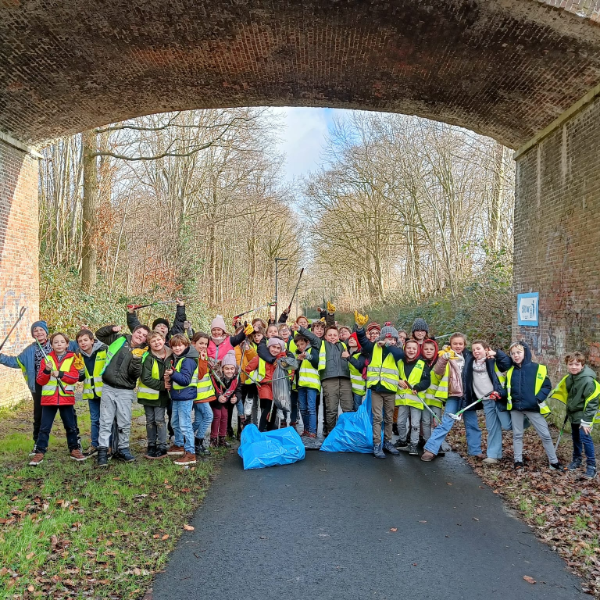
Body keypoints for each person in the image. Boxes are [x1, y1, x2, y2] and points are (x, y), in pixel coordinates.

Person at [0, 320, 77, 454]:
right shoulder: (30, 350)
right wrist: (0, 357)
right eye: (35, 331)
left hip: (61, 384)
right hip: (40, 384)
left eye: (41, 330)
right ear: (32, 334)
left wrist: (83, 332)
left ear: (46, 332)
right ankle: (38, 445)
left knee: (70, 415)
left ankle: (76, 444)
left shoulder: (56, 343)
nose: (39, 332)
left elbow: (80, 346)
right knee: (39, 415)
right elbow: (15, 362)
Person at [421, 333, 484, 462]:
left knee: (472, 423)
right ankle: (431, 450)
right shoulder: (447, 356)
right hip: (454, 394)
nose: (458, 346)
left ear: (464, 345)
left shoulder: (470, 357)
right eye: (455, 344)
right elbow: (438, 371)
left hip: (468, 395)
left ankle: (475, 450)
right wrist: (443, 359)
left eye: (460, 344)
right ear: (451, 344)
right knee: (446, 422)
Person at [95, 321, 150, 467]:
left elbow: (135, 375)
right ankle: (102, 451)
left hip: (125, 390)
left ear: (146, 339)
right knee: (105, 421)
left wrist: (137, 360)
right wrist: (111, 329)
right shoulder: (119, 339)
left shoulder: (144, 352)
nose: (140, 336)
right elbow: (99, 334)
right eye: (139, 332)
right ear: (134, 332)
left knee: (124, 422)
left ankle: (123, 449)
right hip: (108, 387)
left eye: (144, 335)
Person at [504, 341, 562, 471]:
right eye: (513, 354)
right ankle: (518, 461)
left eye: (518, 352)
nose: (516, 355)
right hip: (515, 408)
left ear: (526, 352)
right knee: (517, 435)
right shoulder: (510, 371)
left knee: (545, 435)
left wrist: (537, 399)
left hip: (533, 407)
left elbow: (546, 386)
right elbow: (507, 389)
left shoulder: (538, 368)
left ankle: (554, 462)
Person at [28, 333, 85, 466]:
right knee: (44, 427)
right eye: (56, 342)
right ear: (51, 345)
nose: (59, 344)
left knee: (70, 426)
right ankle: (40, 451)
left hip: (66, 398)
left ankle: (74, 449)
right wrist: (47, 371)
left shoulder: (73, 359)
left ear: (67, 344)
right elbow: (40, 380)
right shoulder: (46, 359)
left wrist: (60, 374)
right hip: (49, 399)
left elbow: (74, 378)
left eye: (61, 342)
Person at [355, 314, 404, 458]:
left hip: (390, 389)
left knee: (389, 418)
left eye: (392, 338)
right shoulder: (374, 347)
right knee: (378, 418)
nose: (390, 340)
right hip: (376, 388)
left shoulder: (397, 350)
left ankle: (388, 442)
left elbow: (399, 355)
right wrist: (359, 328)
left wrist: (388, 345)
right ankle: (377, 444)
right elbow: (363, 341)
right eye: (387, 338)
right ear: (381, 338)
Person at [549, 351, 599, 479]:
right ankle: (577, 460)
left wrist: (587, 421)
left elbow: (593, 402)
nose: (574, 367)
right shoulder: (569, 378)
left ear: (582, 365)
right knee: (575, 438)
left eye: (577, 364)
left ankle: (591, 466)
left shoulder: (588, 381)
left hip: (585, 415)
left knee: (586, 439)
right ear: (567, 365)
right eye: (571, 364)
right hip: (574, 414)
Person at [298, 319, 353, 433]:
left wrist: (359, 327)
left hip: (345, 379)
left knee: (348, 408)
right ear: (325, 336)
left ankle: (348, 433)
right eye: (330, 335)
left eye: (335, 335)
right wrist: (300, 329)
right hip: (329, 379)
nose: (332, 337)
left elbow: (357, 339)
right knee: (331, 409)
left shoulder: (344, 345)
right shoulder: (321, 344)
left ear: (338, 336)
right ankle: (331, 432)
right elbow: (312, 337)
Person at [468, 340, 512, 465]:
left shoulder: (493, 361)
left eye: (478, 348)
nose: (476, 351)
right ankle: (493, 455)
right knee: (492, 428)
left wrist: (497, 353)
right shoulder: (470, 363)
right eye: (474, 349)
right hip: (486, 401)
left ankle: (525, 420)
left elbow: (508, 363)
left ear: (486, 349)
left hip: (498, 398)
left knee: (507, 425)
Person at [138, 331, 173, 459]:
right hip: (148, 396)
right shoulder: (147, 357)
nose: (156, 343)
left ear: (163, 340)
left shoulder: (171, 355)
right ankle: (151, 445)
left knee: (160, 420)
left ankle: (162, 445)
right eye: (153, 341)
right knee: (150, 421)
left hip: (163, 397)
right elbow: (145, 377)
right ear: (149, 344)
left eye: (158, 340)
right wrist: (162, 385)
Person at [165, 333, 199, 465]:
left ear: (186, 345)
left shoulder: (188, 360)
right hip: (178, 396)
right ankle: (179, 444)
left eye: (180, 345)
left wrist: (173, 373)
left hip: (185, 396)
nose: (177, 348)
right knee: (175, 422)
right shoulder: (179, 358)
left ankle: (190, 453)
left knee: (185, 425)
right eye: (174, 346)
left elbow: (185, 380)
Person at [395, 339, 431, 456]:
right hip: (402, 399)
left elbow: (427, 381)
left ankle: (413, 444)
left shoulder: (422, 364)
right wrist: (398, 381)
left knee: (415, 424)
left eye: (414, 349)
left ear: (418, 350)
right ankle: (402, 440)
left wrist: (418, 387)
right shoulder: (399, 362)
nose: (411, 350)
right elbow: (394, 375)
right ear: (405, 349)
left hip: (416, 399)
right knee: (400, 422)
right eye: (409, 348)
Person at [245, 337, 289, 431]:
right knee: (267, 407)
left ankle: (269, 429)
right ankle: (261, 429)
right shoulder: (260, 358)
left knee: (274, 410)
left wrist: (288, 376)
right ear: (269, 346)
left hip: (277, 387)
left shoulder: (282, 359)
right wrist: (258, 379)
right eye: (273, 347)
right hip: (265, 385)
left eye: (278, 348)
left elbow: (289, 371)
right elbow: (248, 369)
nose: (275, 350)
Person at [76, 329, 107, 457]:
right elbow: (80, 378)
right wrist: (80, 370)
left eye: (85, 340)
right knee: (95, 420)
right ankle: (94, 445)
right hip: (91, 393)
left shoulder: (103, 351)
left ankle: (107, 446)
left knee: (106, 420)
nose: (83, 343)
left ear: (92, 341)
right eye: (80, 341)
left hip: (105, 392)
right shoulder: (79, 356)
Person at [209, 351, 242, 447]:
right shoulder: (216, 377)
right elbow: (213, 389)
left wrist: (236, 398)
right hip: (216, 400)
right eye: (227, 368)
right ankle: (213, 438)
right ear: (222, 368)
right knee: (217, 416)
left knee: (225, 416)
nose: (229, 371)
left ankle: (222, 438)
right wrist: (218, 397)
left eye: (232, 368)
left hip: (227, 400)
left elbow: (238, 390)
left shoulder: (236, 377)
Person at [192, 332, 215, 456]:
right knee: (208, 416)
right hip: (198, 395)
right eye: (201, 343)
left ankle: (184, 438)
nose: (203, 346)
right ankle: (198, 442)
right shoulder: (195, 357)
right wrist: (202, 359)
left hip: (203, 394)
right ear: (193, 343)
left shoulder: (202, 355)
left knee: (198, 420)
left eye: (205, 344)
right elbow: (200, 374)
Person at [295, 334, 320, 437]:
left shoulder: (313, 350)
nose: (300, 347)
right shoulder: (299, 354)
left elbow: (316, 361)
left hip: (312, 384)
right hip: (301, 384)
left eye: (302, 344)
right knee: (303, 408)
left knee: (311, 408)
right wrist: (298, 360)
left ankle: (312, 431)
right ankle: (306, 429)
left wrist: (307, 356)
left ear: (307, 343)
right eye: (298, 345)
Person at [236, 328, 262, 427]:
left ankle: (246, 425)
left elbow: (255, 360)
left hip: (247, 380)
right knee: (239, 404)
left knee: (247, 404)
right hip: (237, 380)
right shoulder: (233, 347)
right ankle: (237, 428)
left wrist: (248, 350)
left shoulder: (249, 347)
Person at [344, 332, 366, 411]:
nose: (351, 340)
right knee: (349, 408)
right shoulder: (346, 351)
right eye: (350, 338)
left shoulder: (361, 354)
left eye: (354, 339)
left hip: (358, 387)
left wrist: (349, 357)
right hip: (349, 386)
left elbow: (359, 366)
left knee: (357, 408)